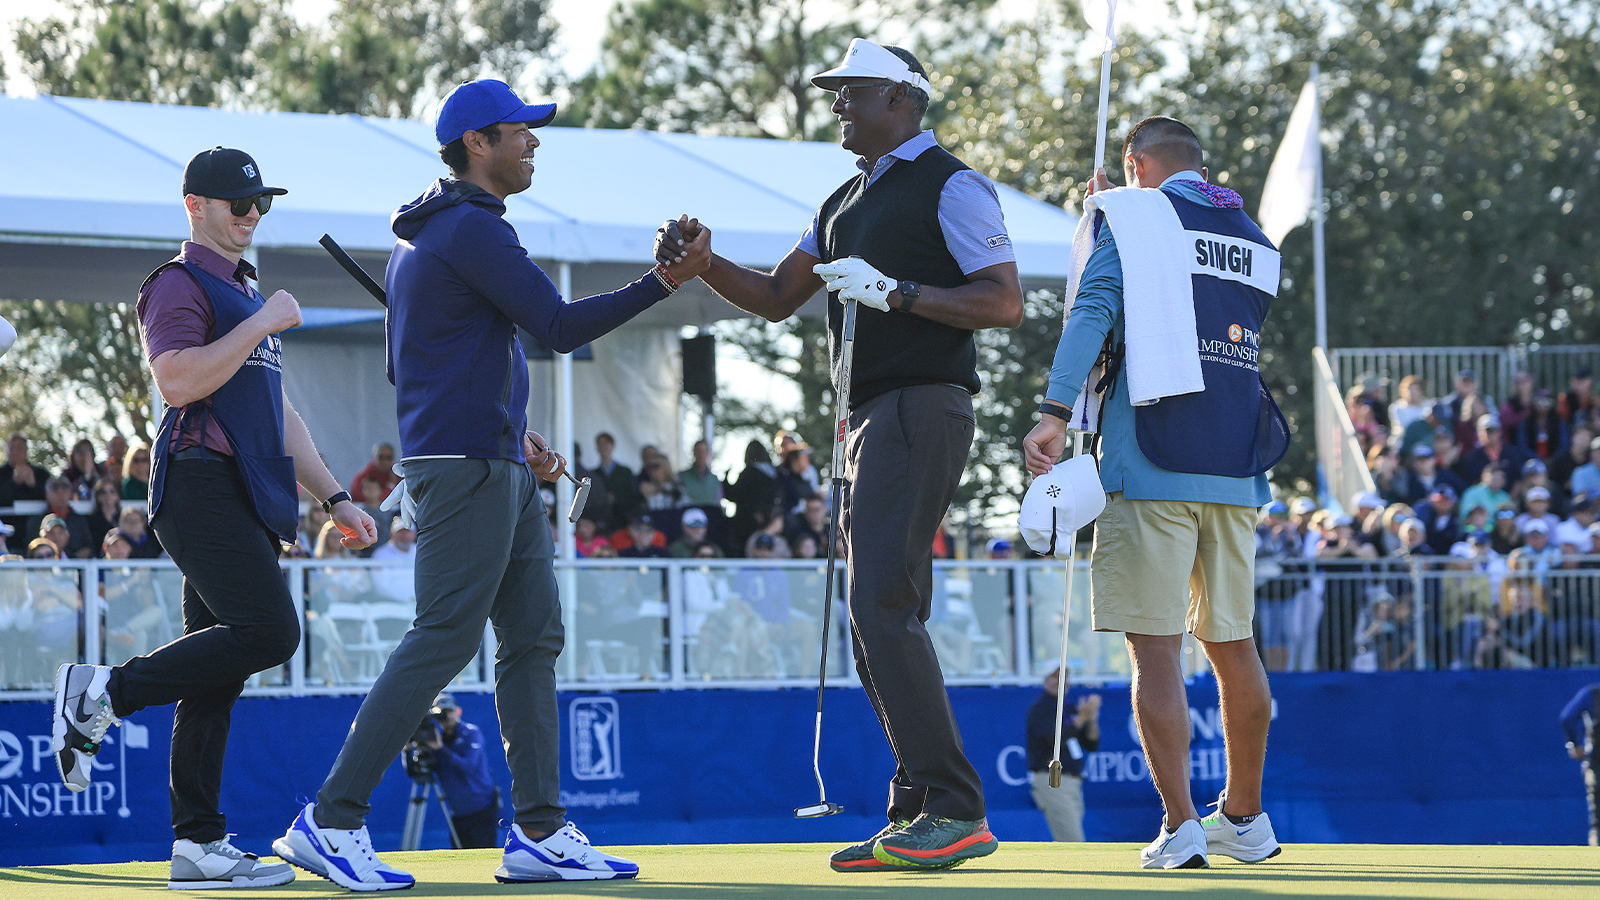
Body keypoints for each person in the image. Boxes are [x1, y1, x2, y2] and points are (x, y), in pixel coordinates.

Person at [272, 79, 709, 889]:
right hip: (467, 466)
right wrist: (664, 282)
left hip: (487, 457)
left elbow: (418, 363)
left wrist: (508, 428)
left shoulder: (438, 232)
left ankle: (539, 830)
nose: (534, 142)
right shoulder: (468, 229)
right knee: (444, 637)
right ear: (478, 143)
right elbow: (558, 326)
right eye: (520, 132)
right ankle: (330, 820)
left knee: (533, 638)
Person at [656, 38, 1019, 870]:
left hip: (919, 405)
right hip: (871, 419)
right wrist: (704, 266)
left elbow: (1003, 302)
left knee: (881, 605)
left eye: (851, 91)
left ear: (900, 98)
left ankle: (954, 807)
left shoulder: (952, 183)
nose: (837, 104)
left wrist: (901, 294)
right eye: (836, 92)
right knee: (877, 613)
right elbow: (781, 298)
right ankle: (921, 805)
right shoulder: (843, 199)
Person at [49, 146, 376, 890]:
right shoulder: (178, 282)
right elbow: (176, 380)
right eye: (239, 202)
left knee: (217, 673)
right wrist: (260, 323)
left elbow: (278, 413)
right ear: (196, 206)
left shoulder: (244, 291)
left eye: (261, 202)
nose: (253, 213)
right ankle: (104, 691)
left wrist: (335, 497)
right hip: (199, 485)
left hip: (245, 492)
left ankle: (197, 844)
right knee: (271, 633)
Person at [1024, 116, 1287, 868]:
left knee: (1157, 652)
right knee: (1235, 648)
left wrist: (1051, 413)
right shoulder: (1251, 231)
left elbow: (1093, 311)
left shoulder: (1134, 218)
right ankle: (1246, 815)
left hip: (1151, 461)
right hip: (1237, 468)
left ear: (1136, 165)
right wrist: (1121, 216)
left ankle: (1181, 826)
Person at [416, 693, 502, 849]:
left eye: (449, 711)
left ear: (458, 711)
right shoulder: (436, 739)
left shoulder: (471, 733)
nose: (447, 716)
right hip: (458, 814)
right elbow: (416, 772)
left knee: (482, 859)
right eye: (442, 713)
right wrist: (407, 749)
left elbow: (468, 767)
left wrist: (441, 748)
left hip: (481, 810)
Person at [1025, 666, 1101, 841]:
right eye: (1055, 677)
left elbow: (1091, 744)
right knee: (1073, 839)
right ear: (1045, 680)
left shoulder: (1068, 707)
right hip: (1053, 780)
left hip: (1073, 780)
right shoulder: (1041, 708)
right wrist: (1082, 717)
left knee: (1068, 837)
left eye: (1064, 677)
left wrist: (1092, 720)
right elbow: (1054, 740)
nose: (1060, 682)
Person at [1559, 682, 1599, 846]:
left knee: (1597, 822)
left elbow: (1567, 718)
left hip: (1596, 764)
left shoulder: (1593, 694)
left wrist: (1574, 745)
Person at [0, 434, 51, 537]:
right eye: (12, 448)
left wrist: (33, 485)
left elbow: (52, 498)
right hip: (7, 532)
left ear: (26, 450)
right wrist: (14, 483)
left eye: (19, 448)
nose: (15, 451)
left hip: (38, 530)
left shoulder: (41, 474)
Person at [678, 439, 723, 507]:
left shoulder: (715, 480)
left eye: (704, 451)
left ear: (708, 453)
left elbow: (718, 503)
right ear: (694, 453)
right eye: (698, 451)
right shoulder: (682, 477)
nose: (701, 455)